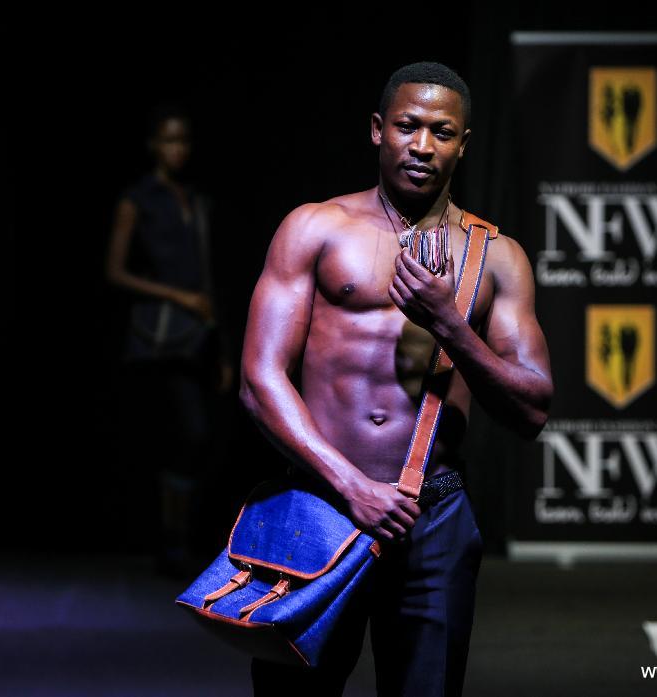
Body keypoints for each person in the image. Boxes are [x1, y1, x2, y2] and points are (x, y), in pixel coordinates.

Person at [239, 62, 553, 696]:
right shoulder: (316, 227)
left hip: (428, 511)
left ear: (463, 144)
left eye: (442, 132)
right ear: (378, 131)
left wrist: (452, 326)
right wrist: (350, 485)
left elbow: (532, 410)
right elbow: (259, 379)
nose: (422, 145)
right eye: (408, 126)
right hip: (322, 499)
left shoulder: (495, 257)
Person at [105, 102, 233, 574]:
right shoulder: (137, 198)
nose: (177, 149)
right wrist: (178, 296)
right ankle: (169, 543)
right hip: (154, 340)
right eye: (168, 139)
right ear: (153, 145)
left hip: (196, 337)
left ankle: (179, 541)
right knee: (177, 434)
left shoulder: (196, 201)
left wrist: (224, 350)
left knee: (198, 438)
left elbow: (209, 277)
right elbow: (114, 272)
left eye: (183, 140)